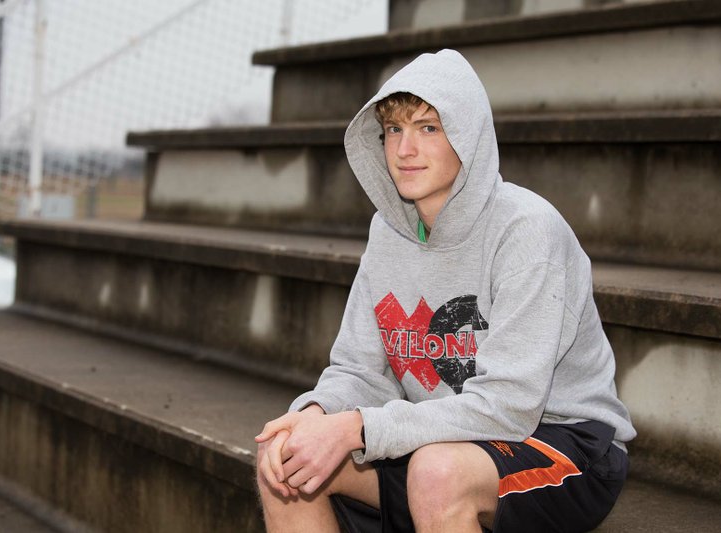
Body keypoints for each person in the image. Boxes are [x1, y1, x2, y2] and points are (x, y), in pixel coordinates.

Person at [255, 49, 636, 533]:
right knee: (283, 461)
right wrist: (314, 414)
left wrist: (358, 427)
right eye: (394, 129)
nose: (404, 149)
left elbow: (510, 404)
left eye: (428, 128)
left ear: (467, 137)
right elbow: (357, 370)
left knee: (436, 472)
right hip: (446, 438)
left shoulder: (526, 230)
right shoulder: (388, 232)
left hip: (563, 441)